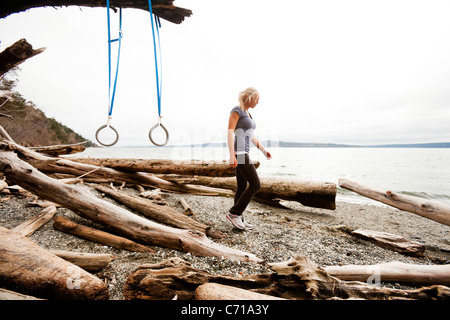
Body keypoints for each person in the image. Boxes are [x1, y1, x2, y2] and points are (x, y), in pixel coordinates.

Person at [226, 87, 271, 230]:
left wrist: (263, 150)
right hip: (239, 153)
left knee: (241, 187)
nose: (258, 102)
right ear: (249, 97)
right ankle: (234, 213)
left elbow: (251, 136)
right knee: (255, 185)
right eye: (257, 98)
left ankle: (238, 217)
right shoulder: (237, 110)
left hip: (244, 152)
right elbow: (229, 132)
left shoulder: (248, 114)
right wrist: (231, 154)